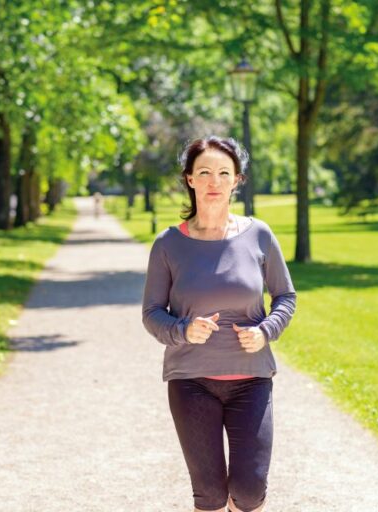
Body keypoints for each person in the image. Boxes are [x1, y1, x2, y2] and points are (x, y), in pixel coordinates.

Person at [142, 136, 296, 512]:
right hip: (190, 381)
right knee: (209, 496)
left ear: (237, 180)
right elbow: (151, 313)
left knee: (249, 491)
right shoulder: (168, 245)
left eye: (224, 173)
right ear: (190, 179)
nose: (214, 181)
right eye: (205, 172)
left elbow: (285, 298)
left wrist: (265, 332)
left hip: (251, 380)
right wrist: (183, 330)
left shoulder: (258, 234)